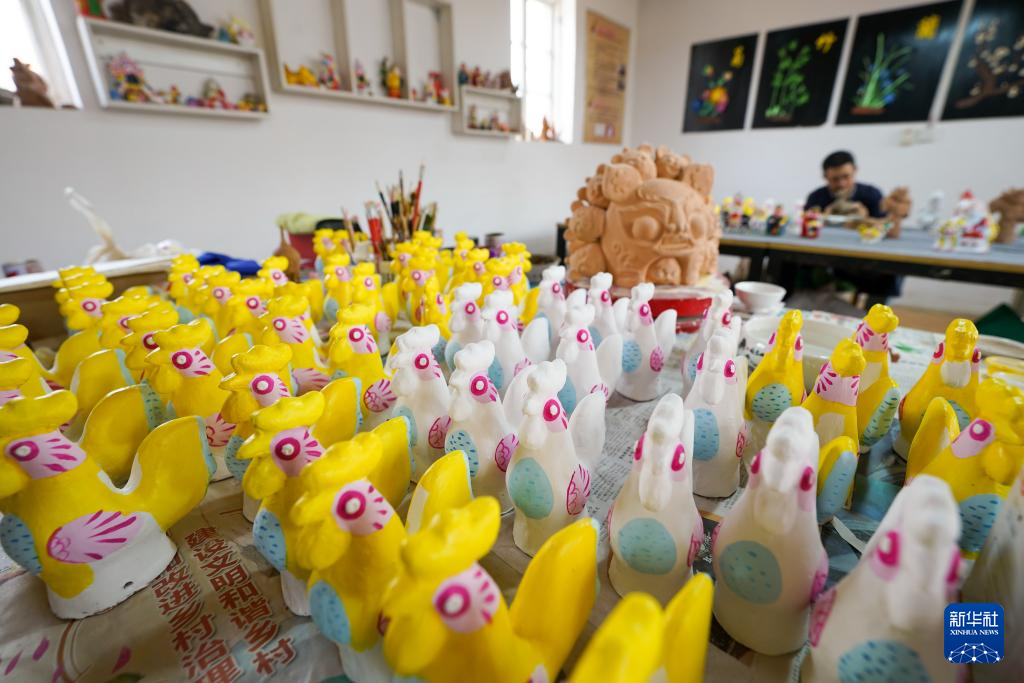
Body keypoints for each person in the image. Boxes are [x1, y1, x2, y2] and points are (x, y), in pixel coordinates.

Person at [806, 150, 883, 218]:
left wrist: (866, 219)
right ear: (825, 177)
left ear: (855, 170)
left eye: (846, 177)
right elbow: (806, 223)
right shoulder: (815, 198)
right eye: (835, 179)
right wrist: (823, 218)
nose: (841, 184)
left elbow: (887, 225)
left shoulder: (872, 194)